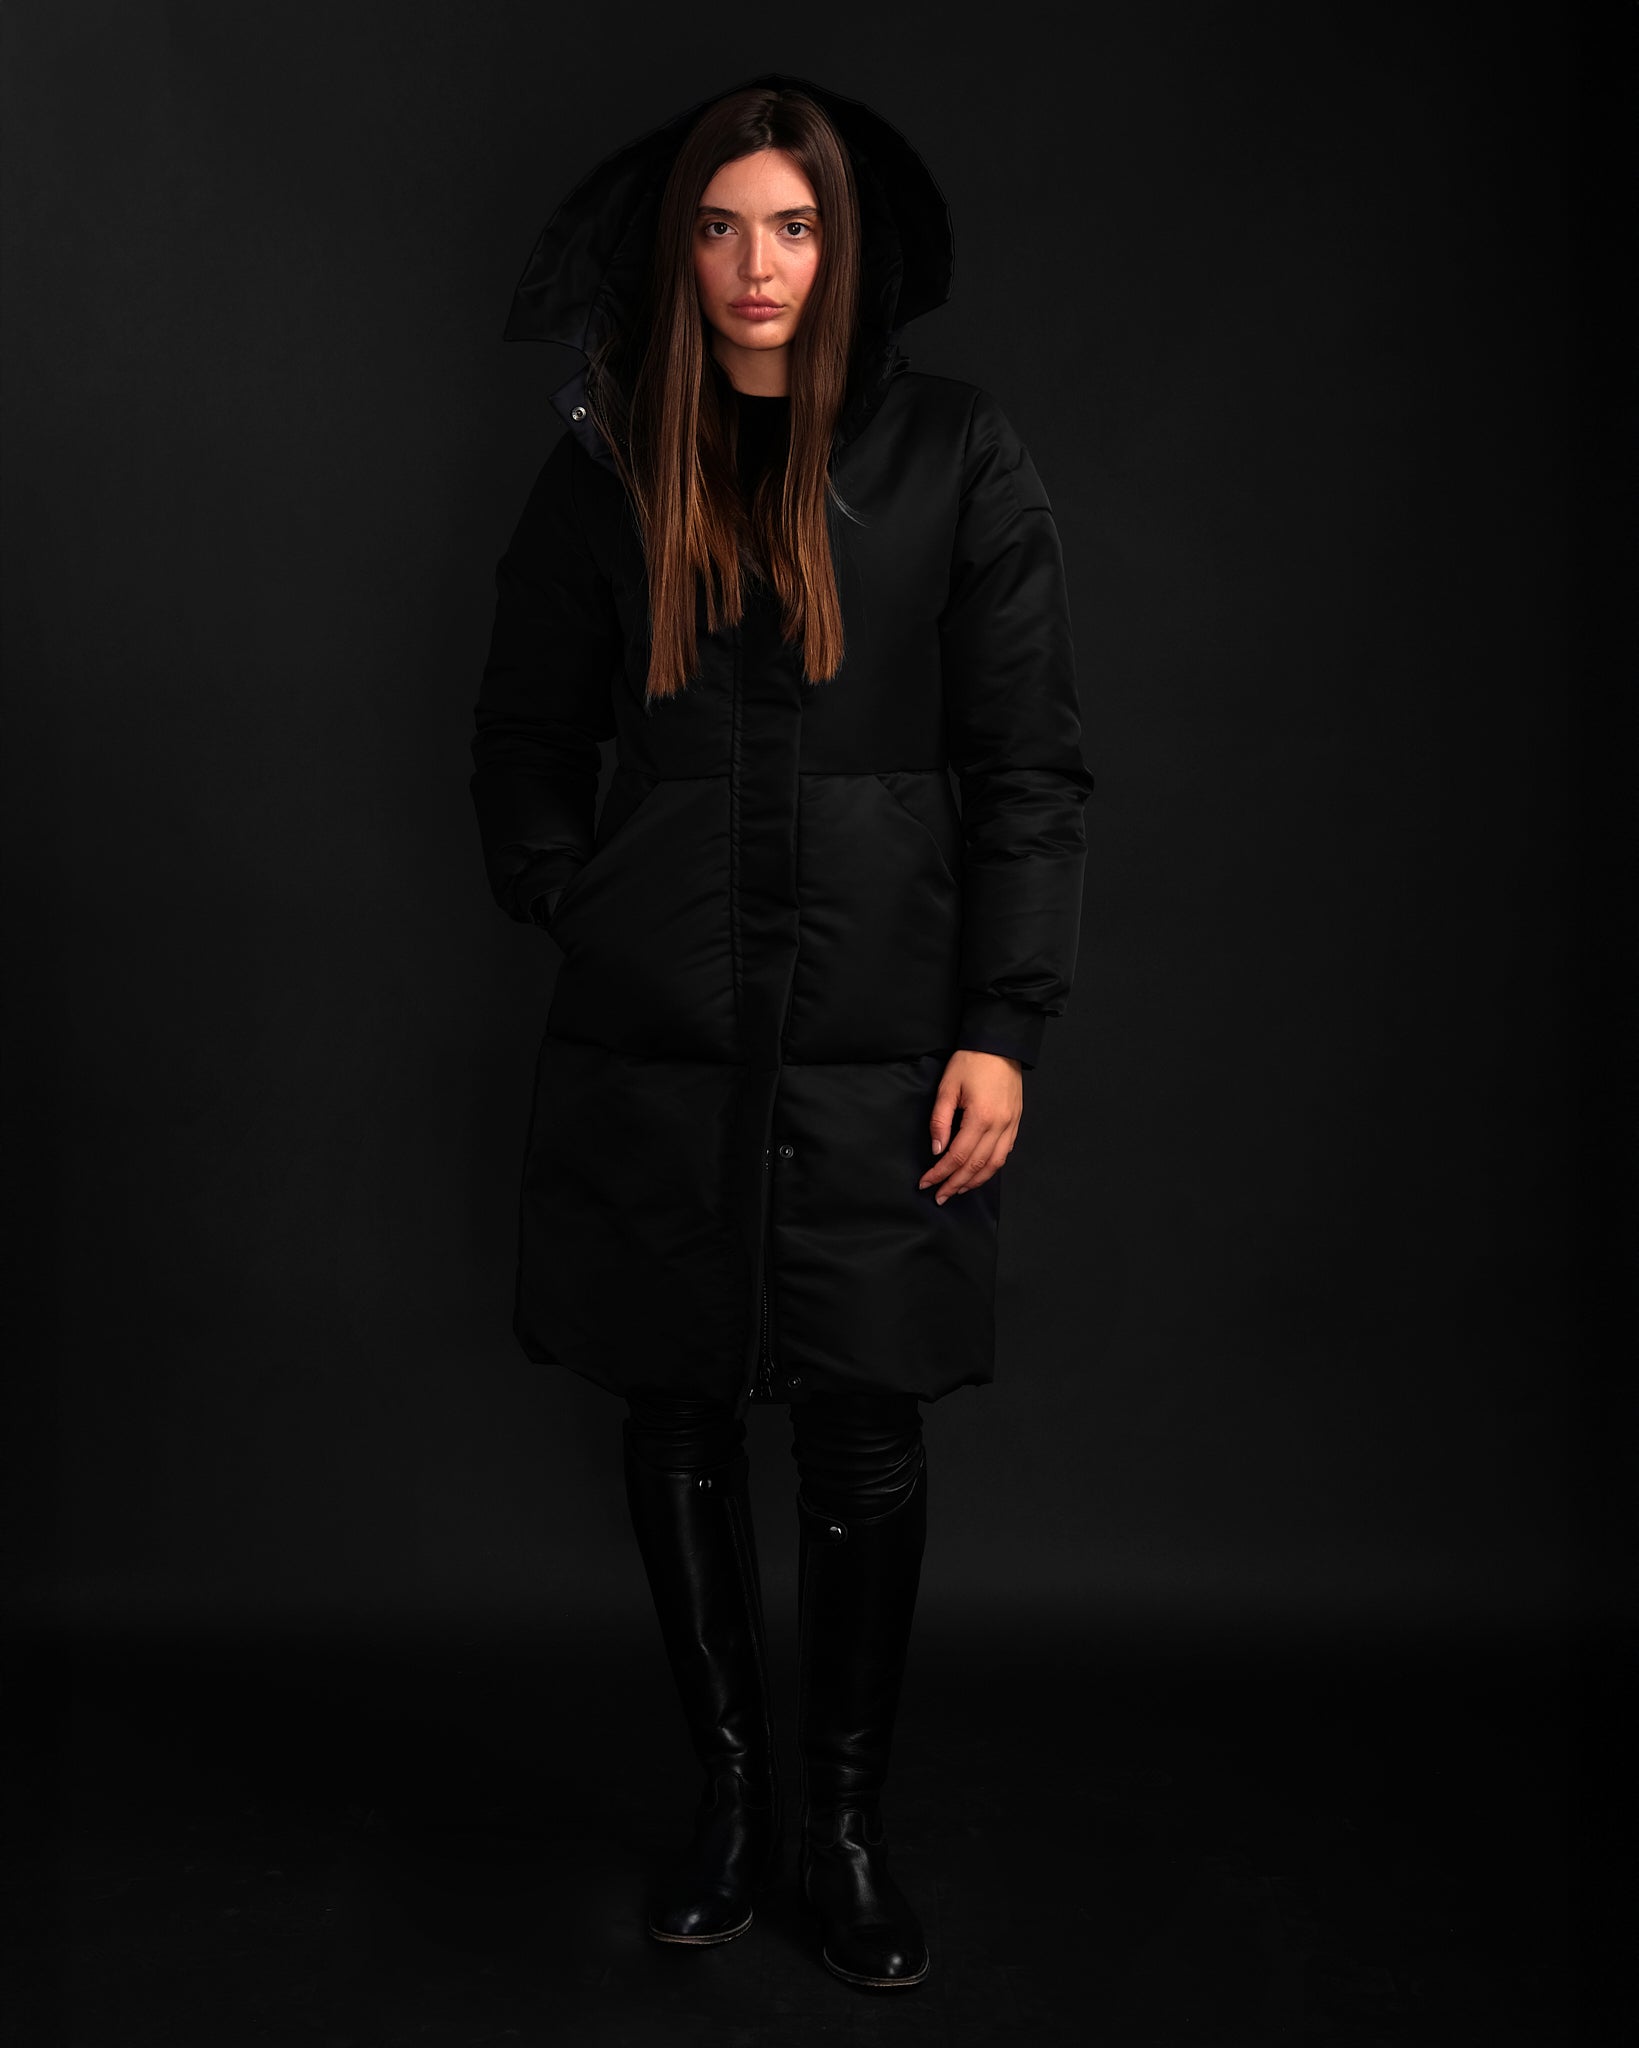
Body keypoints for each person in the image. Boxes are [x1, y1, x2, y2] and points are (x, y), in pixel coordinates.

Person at [469, 73, 1093, 1993]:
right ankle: (732, 1799)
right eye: (724, 226)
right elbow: (522, 734)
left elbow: (1029, 765)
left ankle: (844, 1824)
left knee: (862, 1421)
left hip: (883, 1031)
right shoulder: (610, 467)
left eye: (796, 227)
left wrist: (1002, 1023)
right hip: (658, 1037)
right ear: (682, 248)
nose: (760, 267)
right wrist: (582, 896)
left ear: (845, 249)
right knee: (672, 1407)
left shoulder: (953, 454)